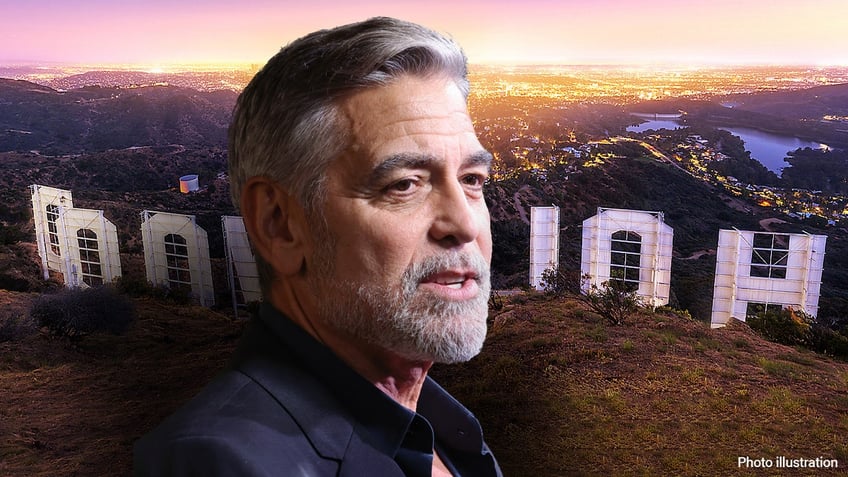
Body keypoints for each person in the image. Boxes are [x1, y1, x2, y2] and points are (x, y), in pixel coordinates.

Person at [134, 16, 501, 476]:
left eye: (472, 180)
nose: (464, 224)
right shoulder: (221, 463)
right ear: (280, 225)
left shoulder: (443, 431)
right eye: (405, 184)